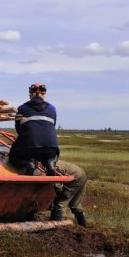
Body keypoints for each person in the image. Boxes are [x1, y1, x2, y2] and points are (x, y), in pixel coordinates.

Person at [9, 82, 87, 225]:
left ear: (30, 93)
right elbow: (51, 126)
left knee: (14, 155)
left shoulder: (22, 108)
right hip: (51, 148)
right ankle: (50, 163)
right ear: (44, 94)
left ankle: (28, 163)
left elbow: (19, 130)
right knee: (72, 200)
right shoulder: (52, 108)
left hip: (30, 147)